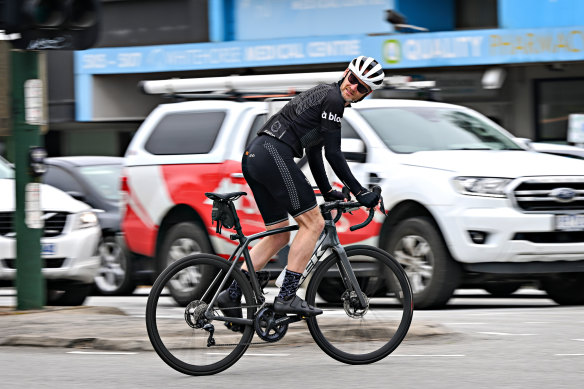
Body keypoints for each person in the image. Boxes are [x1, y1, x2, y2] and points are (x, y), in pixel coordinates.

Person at [218, 56, 384, 327]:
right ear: (346, 73)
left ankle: (232, 294)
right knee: (314, 223)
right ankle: (286, 296)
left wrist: (329, 190)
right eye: (353, 79)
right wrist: (360, 192)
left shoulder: (325, 95)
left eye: (362, 87)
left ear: (367, 94)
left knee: (280, 234)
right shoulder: (332, 99)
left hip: (255, 155)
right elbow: (334, 154)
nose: (353, 87)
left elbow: (315, 151)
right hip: (272, 154)